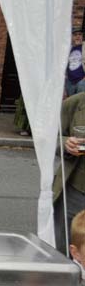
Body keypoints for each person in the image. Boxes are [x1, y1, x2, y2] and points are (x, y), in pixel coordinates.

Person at [53, 91, 85, 251]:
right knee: (66, 246)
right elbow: (50, 135)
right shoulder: (75, 103)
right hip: (76, 189)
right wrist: (66, 143)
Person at [65, 30, 83, 97]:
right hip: (69, 81)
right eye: (75, 35)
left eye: (80, 34)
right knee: (71, 104)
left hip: (81, 81)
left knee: (81, 102)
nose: (77, 36)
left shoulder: (84, 47)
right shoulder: (68, 49)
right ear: (72, 37)